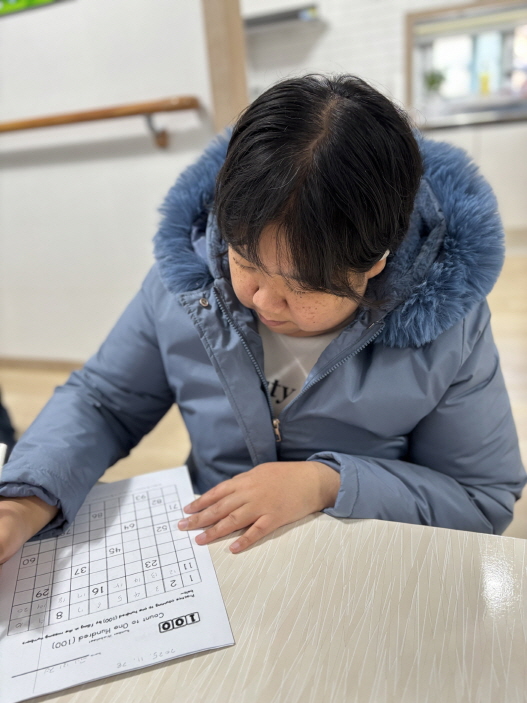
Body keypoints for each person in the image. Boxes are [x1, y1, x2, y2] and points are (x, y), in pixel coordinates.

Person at [0, 74, 525, 567]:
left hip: (359, 561)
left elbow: (480, 498)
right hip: (216, 554)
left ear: (376, 262)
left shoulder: (448, 323)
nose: (265, 302)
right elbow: (104, 402)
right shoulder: (189, 280)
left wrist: (328, 484)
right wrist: (25, 498)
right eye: (245, 262)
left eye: (305, 286)